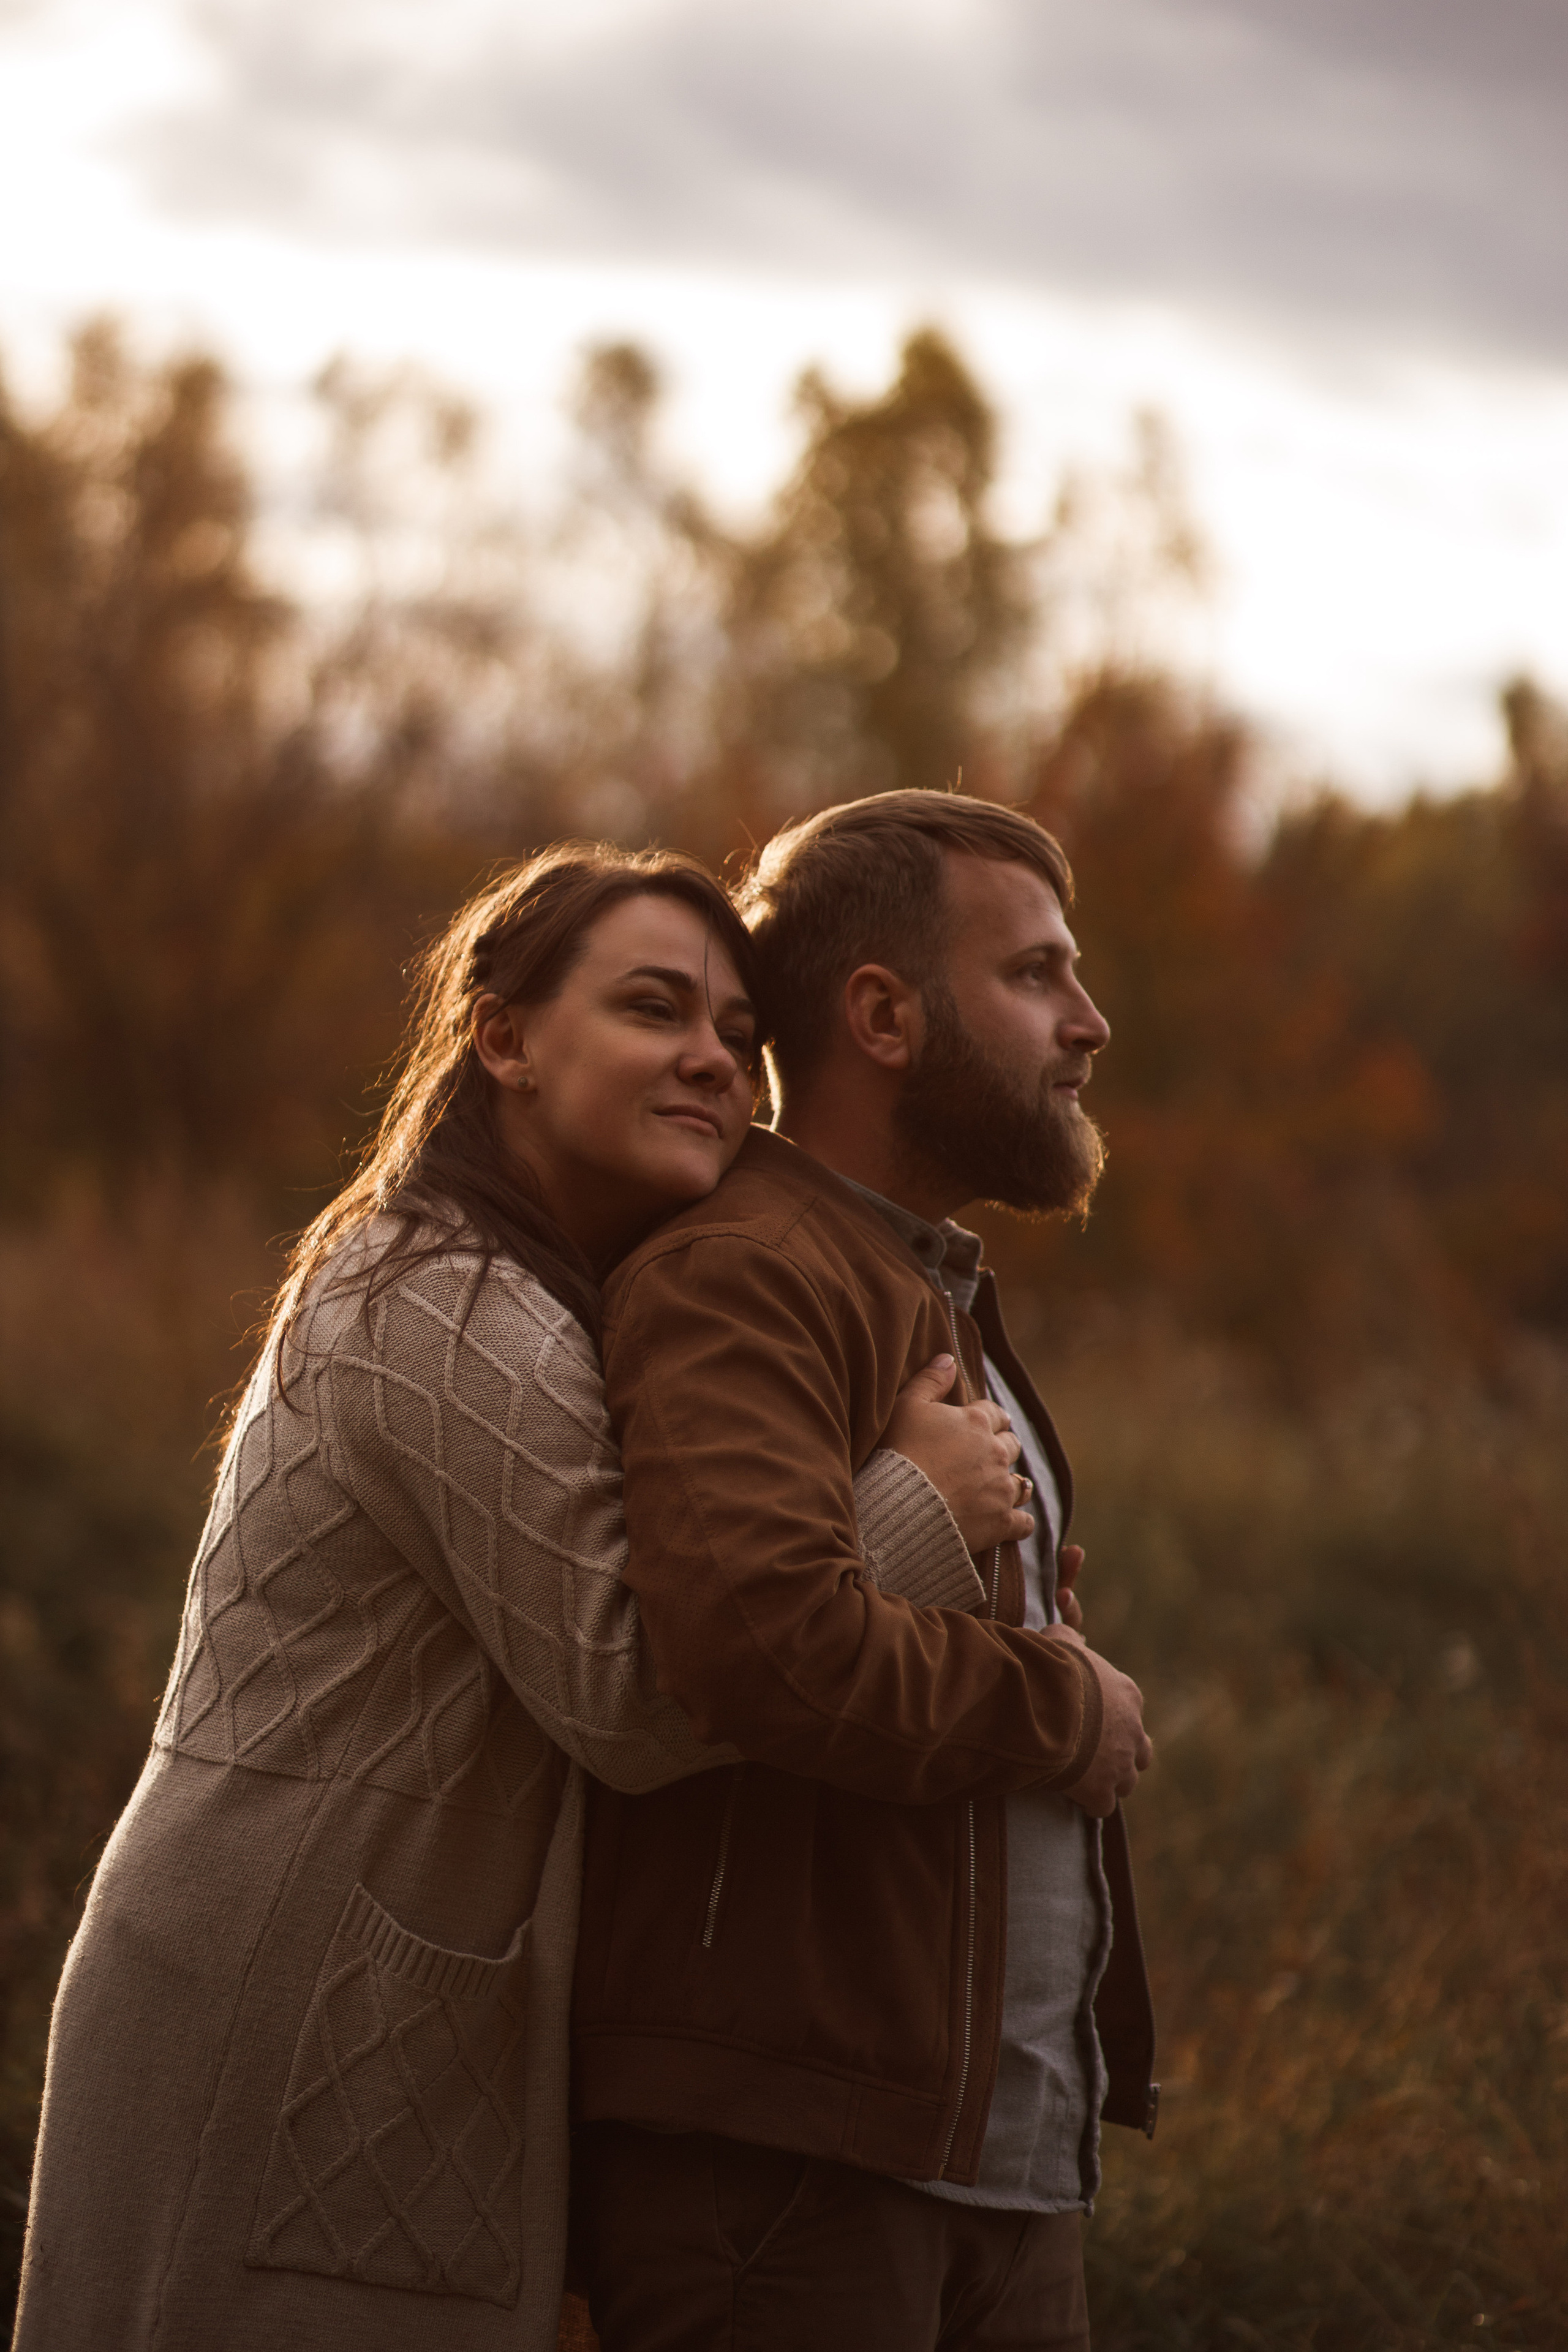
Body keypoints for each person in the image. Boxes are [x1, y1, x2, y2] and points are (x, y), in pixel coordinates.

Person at [13, 843, 1036, 2352]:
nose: (710, 1061)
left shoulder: (548, 1290)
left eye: (737, 1036)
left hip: (401, 2005)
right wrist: (914, 1509)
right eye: (651, 1009)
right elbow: (633, 1689)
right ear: (503, 1040)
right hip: (279, 1998)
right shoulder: (433, 1296)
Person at [575, 792, 1156, 2352]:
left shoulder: (918, 1281)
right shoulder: (749, 1274)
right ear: (882, 1015)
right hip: (798, 2181)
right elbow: (756, 1643)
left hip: (992, 2158)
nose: (1086, 1024)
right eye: (1034, 975)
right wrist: (1058, 1704)